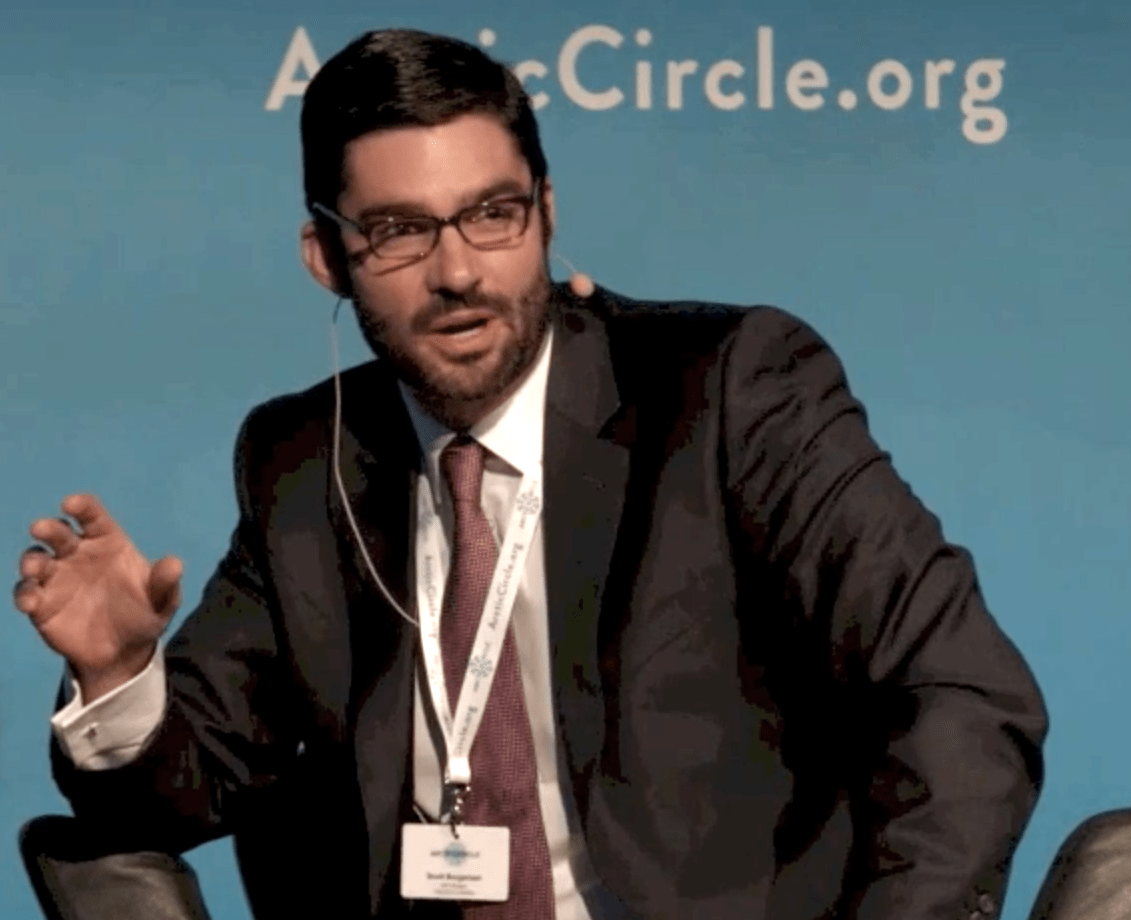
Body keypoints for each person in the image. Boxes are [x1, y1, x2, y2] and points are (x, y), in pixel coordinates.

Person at [14, 27, 1047, 920]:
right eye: (399, 232)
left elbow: (958, 691)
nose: (459, 271)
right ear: (326, 257)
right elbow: (178, 793)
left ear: (546, 212)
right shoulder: (303, 462)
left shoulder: (727, 392)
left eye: (493, 213)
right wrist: (119, 677)